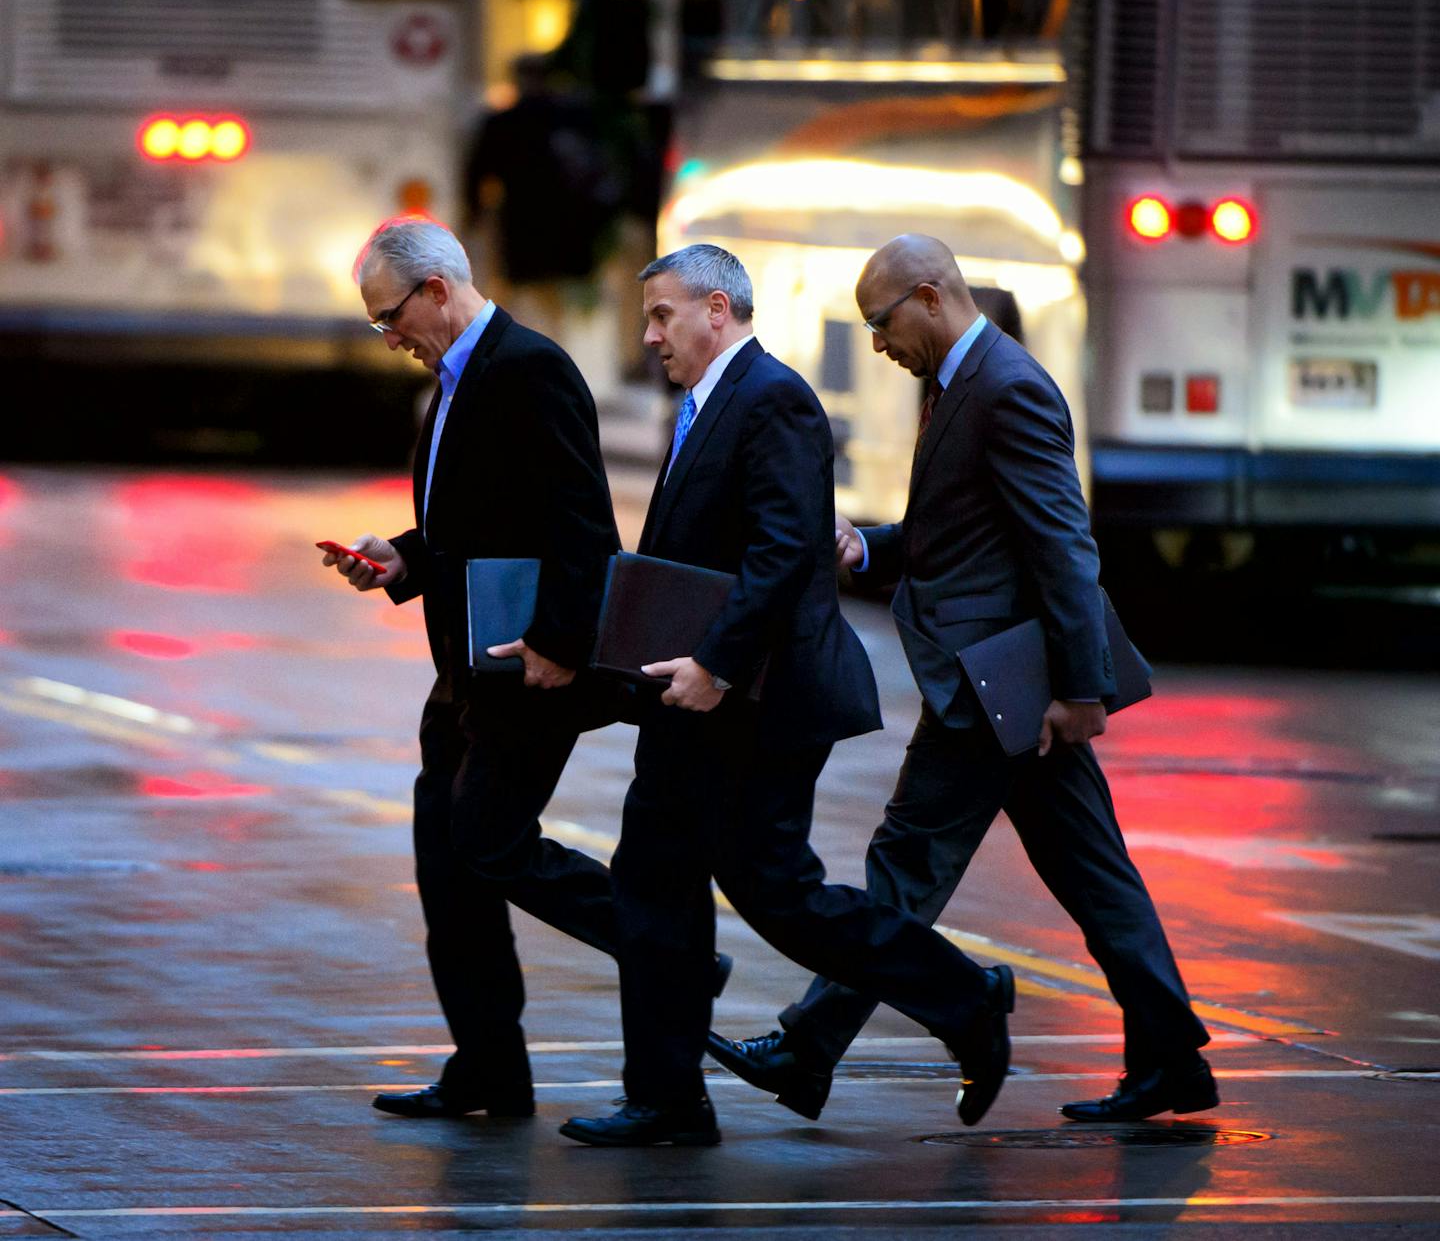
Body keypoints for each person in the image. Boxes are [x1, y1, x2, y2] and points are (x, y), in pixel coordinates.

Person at [708, 234, 1217, 1124]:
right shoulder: (955, 385)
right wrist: (872, 545)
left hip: (1000, 689)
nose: (876, 344)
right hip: (1003, 685)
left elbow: (1063, 546)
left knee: (906, 863)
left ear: (932, 295)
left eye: (882, 321)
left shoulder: (1008, 387)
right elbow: (956, 534)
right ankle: (1170, 1056)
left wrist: (1083, 690)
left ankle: (813, 1044)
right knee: (1093, 874)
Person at [557, 244, 1015, 1148]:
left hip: (760, 699)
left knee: (779, 893)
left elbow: (783, 555)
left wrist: (715, 664)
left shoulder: (775, 401)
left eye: (661, 315)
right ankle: (666, 1095)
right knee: (652, 878)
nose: (650, 336)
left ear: (718, 308)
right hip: (693, 699)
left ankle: (965, 995)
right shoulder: (703, 404)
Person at [320, 218, 625, 1121]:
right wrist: (403, 559)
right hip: (464, 675)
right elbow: (479, 524)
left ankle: (659, 932)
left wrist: (562, 645)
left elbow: (582, 526)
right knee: (448, 868)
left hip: (530, 670)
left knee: (488, 841)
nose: (391, 338)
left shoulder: (529, 368)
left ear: (439, 290)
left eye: (390, 318)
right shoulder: (457, 381)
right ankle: (489, 1065)